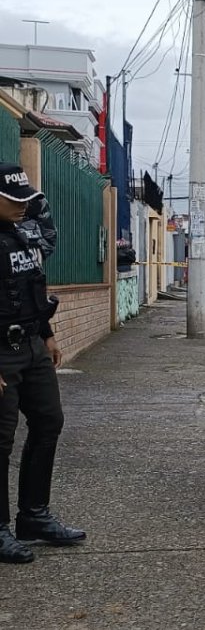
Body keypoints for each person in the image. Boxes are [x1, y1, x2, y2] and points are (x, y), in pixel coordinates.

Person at [0, 162, 84, 564]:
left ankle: (33, 516)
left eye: (26, 198)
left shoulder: (22, 235)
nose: (23, 206)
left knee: (49, 422)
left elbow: (35, 289)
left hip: (32, 345)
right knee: (1, 440)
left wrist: (47, 334)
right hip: (1, 352)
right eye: (14, 199)